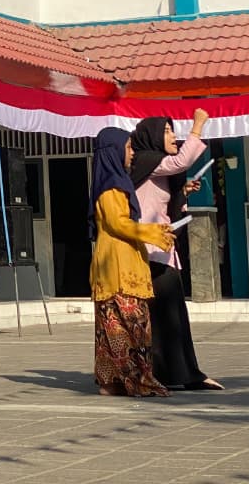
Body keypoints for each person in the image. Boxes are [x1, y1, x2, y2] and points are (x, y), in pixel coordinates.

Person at [130, 111, 222, 390]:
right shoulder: (147, 160)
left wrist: (184, 193)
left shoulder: (154, 170)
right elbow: (182, 160)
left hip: (162, 251)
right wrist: (197, 125)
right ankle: (171, 374)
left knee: (173, 318)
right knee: (163, 320)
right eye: (168, 132)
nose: (174, 137)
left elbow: (162, 205)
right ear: (154, 136)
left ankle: (184, 373)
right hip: (150, 251)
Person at [90, 126, 175, 397]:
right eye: (127, 148)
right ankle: (135, 379)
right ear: (114, 152)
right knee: (128, 327)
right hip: (118, 267)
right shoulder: (111, 187)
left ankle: (112, 381)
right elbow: (118, 223)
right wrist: (153, 232)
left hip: (119, 263)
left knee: (113, 329)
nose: (132, 153)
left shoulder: (115, 183)